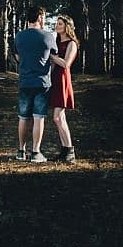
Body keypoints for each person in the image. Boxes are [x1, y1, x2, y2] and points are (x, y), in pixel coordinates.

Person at [12, 5, 56, 163]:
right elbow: (53, 58)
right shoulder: (48, 36)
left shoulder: (19, 36)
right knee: (38, 118)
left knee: (23, 117)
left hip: (25, 81)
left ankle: (21, 151)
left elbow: (18, 57)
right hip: (42, 82)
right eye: (43, 16)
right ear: (40, 17)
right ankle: (36, 153)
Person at [48, 14, 79, 163]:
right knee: (60, 118)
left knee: (57, 117)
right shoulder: (55, 42)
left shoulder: (72, 44)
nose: (57, 26)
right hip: (54, 80)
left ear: (67, 26)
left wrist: (52, 57)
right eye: (57, 23)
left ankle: (70, 151)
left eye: (60, 23)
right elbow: (53, 65)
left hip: (63, 81)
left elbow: (66, 64)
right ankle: (65, 151)